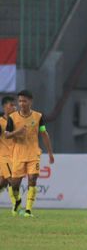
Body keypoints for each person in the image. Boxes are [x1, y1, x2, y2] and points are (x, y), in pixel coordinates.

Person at [4, 90, 56, 218]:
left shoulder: (38, 117)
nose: (22, 103)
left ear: (30, 101)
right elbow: (7, 135)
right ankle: (17, 202)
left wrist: (50, 153)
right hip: (18, 154)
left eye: (24, 101)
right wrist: (17, 132)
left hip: (33, 153)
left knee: (33, 178)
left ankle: (28, 210)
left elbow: (43, 133)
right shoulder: (13, 117)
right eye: (20, 101)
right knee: (15, 184)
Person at [0, 96, 17, 210]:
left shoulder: (17, 121)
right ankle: (17, 207)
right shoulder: (0, 122)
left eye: (14, 105)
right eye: (11, 105)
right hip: (4, 156)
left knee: (3, 182)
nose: (14, 107)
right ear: (4, 106)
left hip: (15, 155)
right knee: (13, 179)